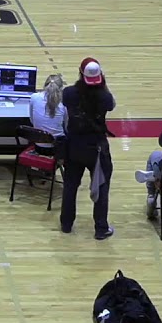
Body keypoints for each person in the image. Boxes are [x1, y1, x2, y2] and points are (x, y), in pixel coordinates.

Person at [60, 58, 114, 238]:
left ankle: (66, 224)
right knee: (101, 187)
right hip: (97, 149)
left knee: (70, 186)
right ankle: (100, 229)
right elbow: (111, 105)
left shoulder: (68, 93)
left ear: (80, 73)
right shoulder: (105, 97)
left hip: (74, 146)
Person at [29, 73, 67, 151]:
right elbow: (66, 127)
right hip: (58, 148)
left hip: (38, 146)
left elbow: (32, 120)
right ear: (60, 89)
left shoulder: (34, 97)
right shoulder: (63, 104)